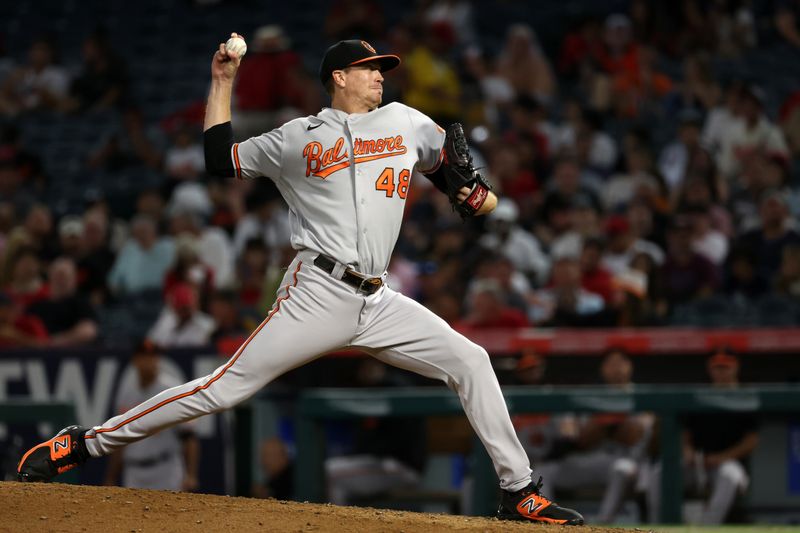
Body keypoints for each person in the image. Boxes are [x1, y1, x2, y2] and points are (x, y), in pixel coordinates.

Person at [17, 35, 583, 526]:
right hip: (318, 291)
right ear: (340, 77)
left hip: (380, 298)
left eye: (383, 69)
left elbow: (460, 179)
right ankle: (84, 443)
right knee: (223, 389)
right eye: (370, 69)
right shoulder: (297, 137)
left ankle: (520, 493)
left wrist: (477, 196)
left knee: (472, 361)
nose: (380, 77)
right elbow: (220, 159)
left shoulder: (407, 121)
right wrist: (222, 81)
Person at [645, 349, 758, 524]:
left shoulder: (746, 397)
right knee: (659, 471)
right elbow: (685, 432)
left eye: (725, 367)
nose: (721, 372)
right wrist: (687, 451)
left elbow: (751, 441)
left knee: (729, 475)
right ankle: (658, 525)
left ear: (735, 368)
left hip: (727, 463)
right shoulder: (700, 396)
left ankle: (708, 528)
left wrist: (721, 458)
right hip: (697, 462)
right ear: (710, 369)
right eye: (717, 367)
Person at [103, 340, 199, 491]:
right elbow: (119, 438)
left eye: (153, 356)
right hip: (133, 471)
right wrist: (111, 477)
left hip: (166, 469)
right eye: (144, 356)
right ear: (135, 361)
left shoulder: (171, 390)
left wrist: (191, 474)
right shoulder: (127, 392)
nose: (148, 361)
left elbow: (189, 436)